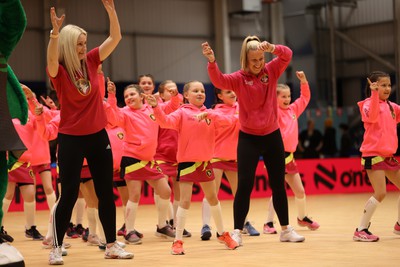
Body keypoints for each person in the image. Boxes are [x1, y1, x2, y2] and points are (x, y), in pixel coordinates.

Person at [46, 1, 133, 264]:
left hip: (97, 136)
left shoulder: (93, 60)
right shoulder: (59, 71)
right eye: (79, 44)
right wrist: (54, 34)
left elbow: (115, 37)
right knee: (69, 193)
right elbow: (51, 58)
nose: (84, 48)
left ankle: (110, 245)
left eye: (85, 43)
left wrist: (111, 13)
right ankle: (56, 247)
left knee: (106, 191)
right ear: (68, 46)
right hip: (71, 139)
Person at [202, 36, 305, 245]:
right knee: (245, 185)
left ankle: (285, 229)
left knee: (278, 184)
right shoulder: (239, 78)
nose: (258, 64)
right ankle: (238, 231)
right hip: (248, 137)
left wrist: (274, 48)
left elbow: (288, 54)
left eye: (260, 59)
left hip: (272, 136)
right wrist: (212, 61)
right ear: (245, 59)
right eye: (253, 60)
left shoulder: (271, 70)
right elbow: (218, 80)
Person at [146, 80, 240, 255]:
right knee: (185, 201)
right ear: (186, 95)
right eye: (195, 91)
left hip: (205, 163)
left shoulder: (211, 114)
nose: (200, 93)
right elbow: (165, 122)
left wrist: (211, 116)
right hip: (187, 164)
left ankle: (222, 234)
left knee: (213, 199)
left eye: (202, 91)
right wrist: (155, 108)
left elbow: (229, 122)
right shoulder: (181, 112)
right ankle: (178, 240)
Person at [106, 81, 176, 244]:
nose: (129, 98)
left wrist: (174, 96)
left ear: (141, 95)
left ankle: (161, 226)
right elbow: (112, 116)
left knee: (165, 190)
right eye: (126, 96)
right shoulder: (125, 113)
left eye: (132, 94)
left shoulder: (152, 108)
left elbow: (172, 107)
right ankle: (129, 231)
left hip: (149, 160)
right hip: (131, 157)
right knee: (134, 195)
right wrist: (111, 96)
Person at [263, 71, 320, 234]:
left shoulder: (294, 109)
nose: (287, 99)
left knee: (300, 191)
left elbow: (305, 98)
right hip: (275, 156)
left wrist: (304, 81)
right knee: (278, 190)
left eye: (288, 96)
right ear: (275, 99)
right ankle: (268, 223)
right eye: (283, 97)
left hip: (290, 157)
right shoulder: (273, 111)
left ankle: (302, 217)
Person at [201, 87, 260, 240]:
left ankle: (245, 223)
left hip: (235, 157)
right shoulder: (214, 111)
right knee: (211, 193)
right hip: (216, 157)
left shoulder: (242, 107)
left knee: (240, 193)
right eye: (228, 92)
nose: (233, 93)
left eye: (234, 91)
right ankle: (205, 225)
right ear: (220, 96)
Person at [353, 71, 400, 242]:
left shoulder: (392, 107)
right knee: (380, 193)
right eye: (383, 85)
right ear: (373, 86)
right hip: (373, 154)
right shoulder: (366, 104)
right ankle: (361, 229)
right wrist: (373, 94)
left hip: (388, 156)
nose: (387, 88)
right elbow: (371, 117)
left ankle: (399, 226)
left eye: (389, 85)